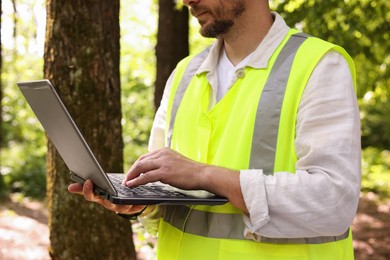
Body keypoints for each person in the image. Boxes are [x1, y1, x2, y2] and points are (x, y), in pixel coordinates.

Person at [68, 0, 361, 259]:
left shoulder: (320, 65)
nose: (187, 1)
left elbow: (333, 201)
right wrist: (140, 203)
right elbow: (168, 197)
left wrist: (202, 174)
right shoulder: (184, 73)